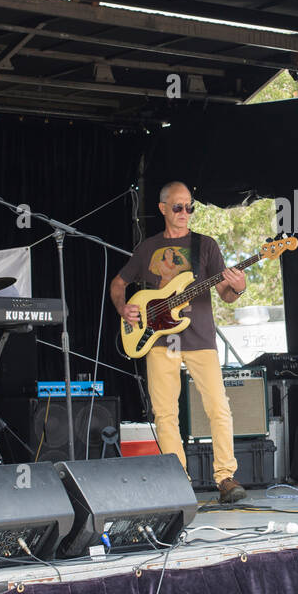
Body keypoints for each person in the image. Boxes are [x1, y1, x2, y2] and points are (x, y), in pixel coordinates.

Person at [111, 182, 248, 504]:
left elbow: (224, 294)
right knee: (165, 413)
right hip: (161, 339)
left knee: (218, 408)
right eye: (178, 207)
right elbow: (119, 282)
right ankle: (179, 480)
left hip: (199, 337)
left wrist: (237, 288)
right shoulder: (147, 248)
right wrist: (123, 307)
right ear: (163, 209)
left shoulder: (205, 245)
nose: (185, 213)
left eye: (190, 207)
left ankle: (225, 476)